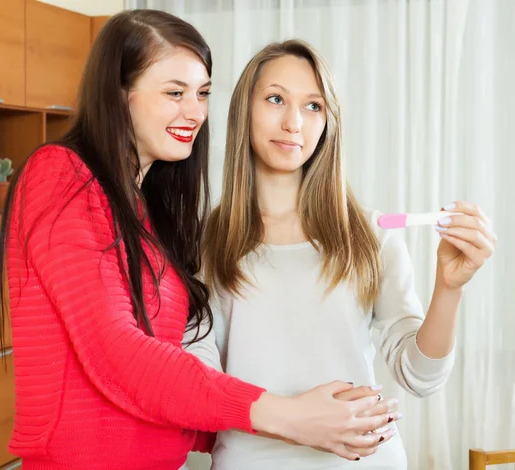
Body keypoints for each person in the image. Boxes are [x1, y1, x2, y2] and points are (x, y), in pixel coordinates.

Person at [0, 11, 399, 470]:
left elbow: (175, 370)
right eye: (174, 93)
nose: (196, 112)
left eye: (203, 93)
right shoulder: (60, 175)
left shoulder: (148, 213)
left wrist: (316, 415)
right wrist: (287, 416)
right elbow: (118, 354)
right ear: (118, 93)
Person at [185, 39, 497, 469]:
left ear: (329, 122)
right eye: (276, 99)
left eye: (313, 106)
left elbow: (420, 377)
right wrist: (298, 421)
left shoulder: (372, 235)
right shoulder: (202, 244)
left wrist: (449, 286)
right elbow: (196, 385)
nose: (294, 122)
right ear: (244, 111)